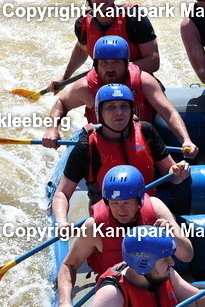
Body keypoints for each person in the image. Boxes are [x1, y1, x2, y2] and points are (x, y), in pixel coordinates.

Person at [57, 166, 205, 307]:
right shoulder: (93, 228)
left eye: (127, 203)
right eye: (114, 203)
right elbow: (69, 265)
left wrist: (172, 233)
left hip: (164, 289)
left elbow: (187, 255)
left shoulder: (155, 208)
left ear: (139, 200)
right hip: (125, 305)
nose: (120, 210)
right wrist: (65, 302)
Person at [50, 83, 190, 227]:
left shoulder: (146, 131)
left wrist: (179, 173)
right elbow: (62, 194)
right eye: (111, 107)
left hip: (148, 210)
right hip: (108, 217)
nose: (119, 112)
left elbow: (172, 175)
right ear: (99, 112)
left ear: (131, 110)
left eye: (124, 106)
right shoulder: (87, 145)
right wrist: (62, 222)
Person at [41, 36, 197, 156]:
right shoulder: (85, 87)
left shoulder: (144, 81)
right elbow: (62, 103)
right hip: (103, 144)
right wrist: (52, 129)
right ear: (95, 65)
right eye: (104, 63)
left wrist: (186, 140)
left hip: (142, 141)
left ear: (126, 63)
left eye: (116, 62)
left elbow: (169, 112)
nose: (110, 68)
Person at [48, 0, 159, 93]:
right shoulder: (82, 24)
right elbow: (82, 48)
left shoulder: (134, 18)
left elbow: (153, 62)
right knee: (64, 102)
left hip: (137, 83)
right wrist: (65, 77)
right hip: (102, 87)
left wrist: (114, 70)